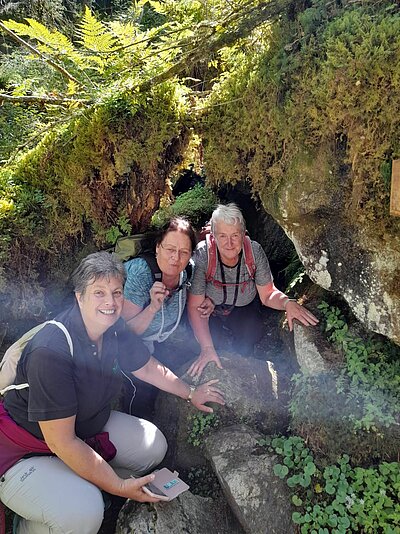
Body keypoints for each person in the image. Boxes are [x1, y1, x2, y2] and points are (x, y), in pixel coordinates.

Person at [0, 252, 224, 534]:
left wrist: (190, 392)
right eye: (99, 293)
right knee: (85, 513)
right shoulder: (51, 351)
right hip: (26, 451)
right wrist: (118, 486)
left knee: (154, 447)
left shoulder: (112, 328)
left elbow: (145, 366)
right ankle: (32, 523)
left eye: (117, 292)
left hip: (82, 428)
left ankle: (82, 483)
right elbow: (62, 443)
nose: (111, 302)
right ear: (79, 296)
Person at [187, 203, 319, 377]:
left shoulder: (254, 252)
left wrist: (287, 303)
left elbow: (267, 294)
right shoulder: (204, 254)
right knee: (209, 342)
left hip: (242, 309)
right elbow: (194, 306)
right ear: (213, 236)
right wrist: (206, 348)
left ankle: (242, 360)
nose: (229, 243)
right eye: (222, 236)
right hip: (211, 313)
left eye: (235, 235)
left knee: (252, 332)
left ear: (243, 234)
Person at [121, 217, 213, 417]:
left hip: (162, 339)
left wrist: (210, 301)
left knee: (187, 364)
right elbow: (126, 333)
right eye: (170, 249)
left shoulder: (188, 269)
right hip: (128, 348)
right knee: (141, 395)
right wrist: (152, 307)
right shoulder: (141, 273)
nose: (175, 258)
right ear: (157, 248)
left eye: (183, 252)